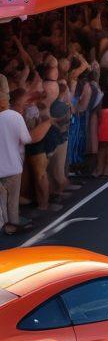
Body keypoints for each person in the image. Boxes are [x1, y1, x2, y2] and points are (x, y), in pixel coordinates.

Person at [0, 90, 33, 234]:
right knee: (13, 201)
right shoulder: (15, 117)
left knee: (1, 201)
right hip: (13, 166)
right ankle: (13, 225)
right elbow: (26, 139)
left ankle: (4, 224)